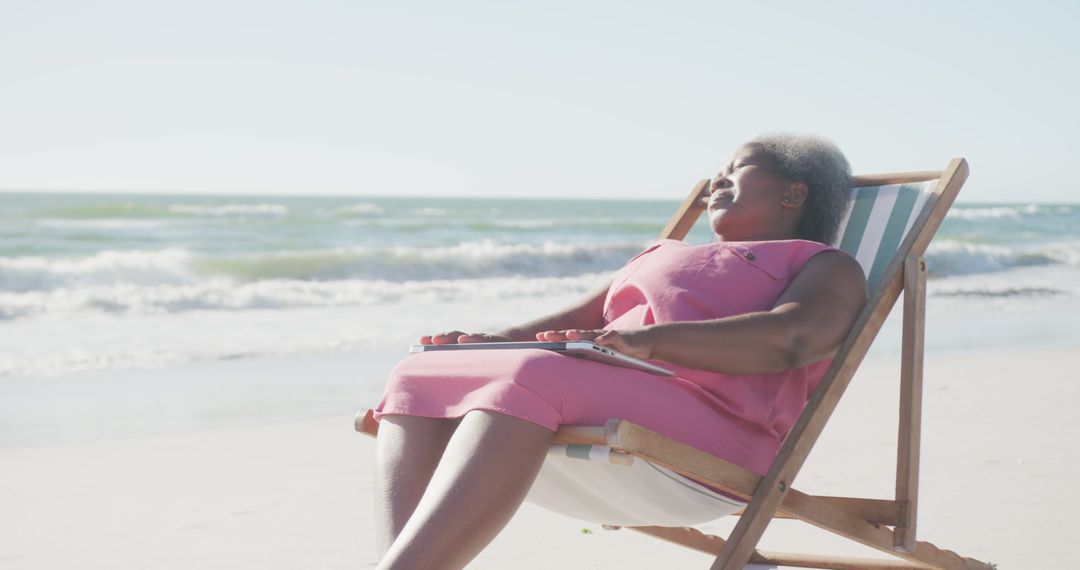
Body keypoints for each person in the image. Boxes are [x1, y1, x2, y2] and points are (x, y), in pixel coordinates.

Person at [369, 134, 868, 569]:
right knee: (418, 374)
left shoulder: (824, 263)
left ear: (793, 192)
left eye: (735, 169)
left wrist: (652, 344)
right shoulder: (665, 251)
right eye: (716, 173)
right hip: (612, 389)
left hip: (720, 430)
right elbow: (576, 321)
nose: (716, 181)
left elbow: (790, 339)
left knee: (532, 375)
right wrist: (488, 342)